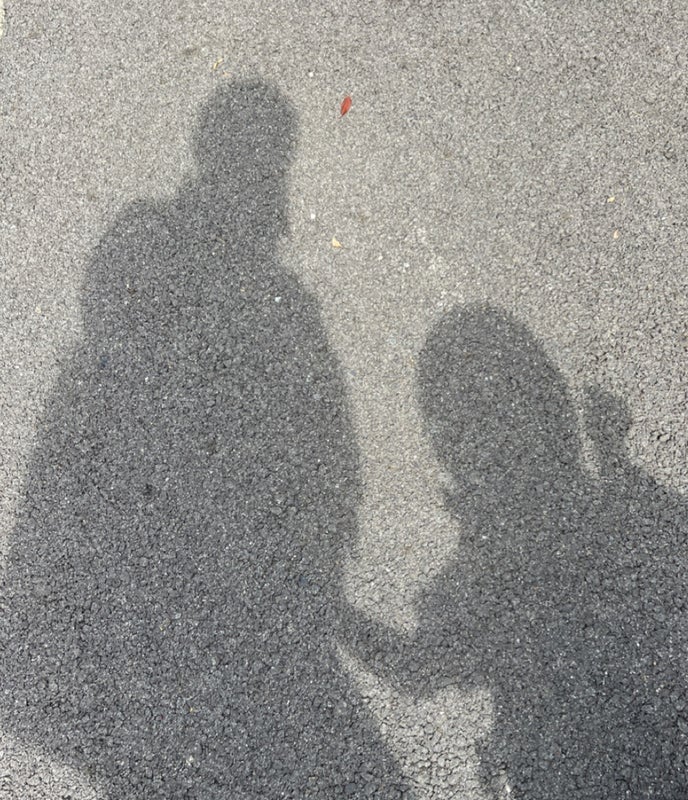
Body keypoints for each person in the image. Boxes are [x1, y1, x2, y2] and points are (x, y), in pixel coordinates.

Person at [1, 81, 406, 799]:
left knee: (161, 759)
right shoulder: (267, 301)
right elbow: (326, 467)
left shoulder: (157, 256)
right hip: (203, 606)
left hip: (167, 606)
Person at [345, 303, 688, 798]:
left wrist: (329, 612)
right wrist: (616, 459)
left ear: (452, 451)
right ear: (557, 412)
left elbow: (416, 668)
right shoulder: (622, 511)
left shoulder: (480, 583)